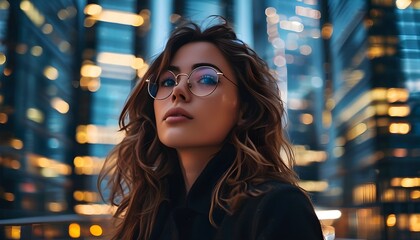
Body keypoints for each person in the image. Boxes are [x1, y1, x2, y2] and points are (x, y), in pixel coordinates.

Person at [98, 16, 324, 240]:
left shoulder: (278, 206)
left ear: (244, 108)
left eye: (205, 79)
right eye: (168, 81)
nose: (178, 91)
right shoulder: (146, 214)